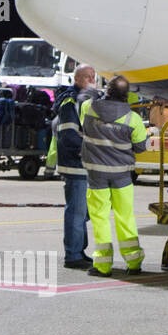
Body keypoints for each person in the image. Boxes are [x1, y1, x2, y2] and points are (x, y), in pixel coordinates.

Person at [79, 76, 148, 277]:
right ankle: (134, 262)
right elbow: (140, 146)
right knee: (125, 217)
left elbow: (84, 109)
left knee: (100, 218)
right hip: (122, 176)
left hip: (96, 174)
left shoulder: (88, 108)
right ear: (127, 95)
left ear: (106, 90)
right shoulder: (132, 118)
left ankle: (102, 265)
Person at [47, 64, 101, 269]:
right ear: (77, 79)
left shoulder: (88, 101)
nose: (91, 80)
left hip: (86, 165)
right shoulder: (70, 103)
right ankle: (73, 255)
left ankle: (79, 250)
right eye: (87, 76)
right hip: (75, 165)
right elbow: (69, 135)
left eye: (93, 77)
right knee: (77, 212)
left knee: (83, 213)